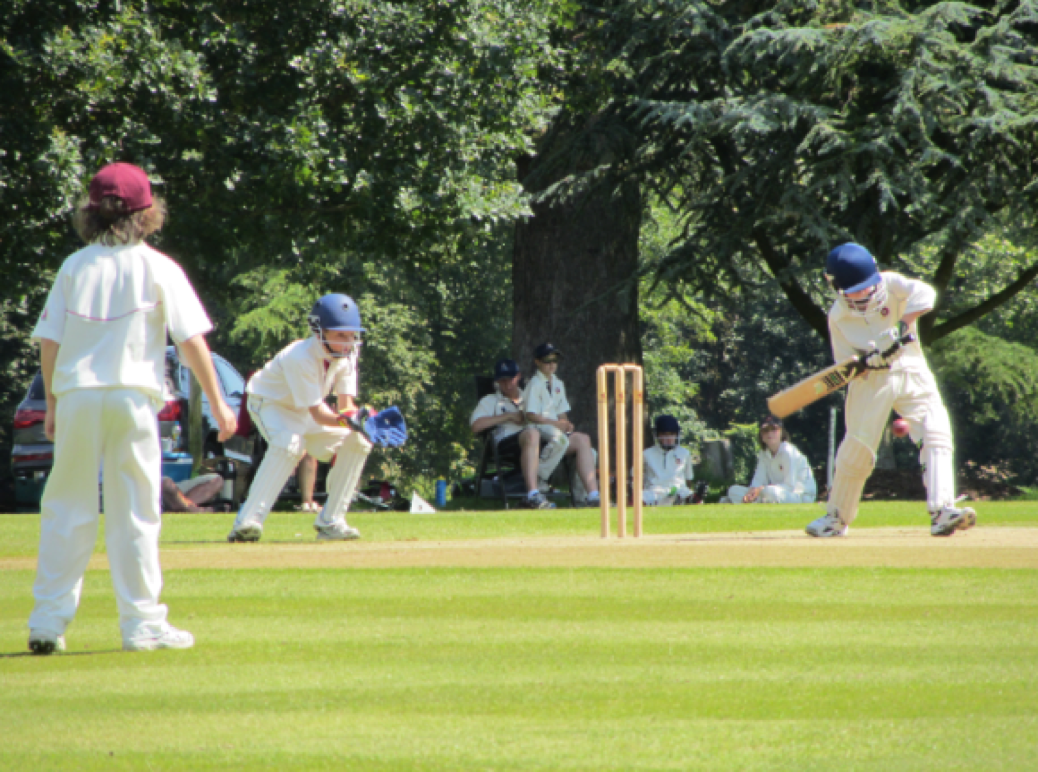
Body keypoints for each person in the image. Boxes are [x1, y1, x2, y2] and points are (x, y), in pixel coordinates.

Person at [27, 162, 237, 655]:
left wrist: (54, 405)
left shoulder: (74, 267)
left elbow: (50, 344)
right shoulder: (159, 267)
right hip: (132, 397)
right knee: (135, 514)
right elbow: (191, 342)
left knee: (66, 509)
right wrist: (220, 404)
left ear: (93, 213)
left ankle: (46, 623)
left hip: (78, 396)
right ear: (148, 214)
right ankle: (141, 625)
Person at [806, 243, 976, 537]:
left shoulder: (892, 284)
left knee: (936, 431)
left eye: (866, 287)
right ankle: (836, 518)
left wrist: (903, 325)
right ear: (836, 286)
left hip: (911, 368)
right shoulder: (838, 316)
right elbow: (843, 365)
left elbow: (927, 294)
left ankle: (943, 510)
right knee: (857, 449)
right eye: (854, 290)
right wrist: (868, 361)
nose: (863, 294)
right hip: (870, 383)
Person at [226, 293, 406, 542]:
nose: (347, 342)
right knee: (289, 445)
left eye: (351, 335)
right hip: (271, 403)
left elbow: (345, 405)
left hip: (309, 409)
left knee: (361, 440)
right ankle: (246, 523)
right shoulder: (299, 356)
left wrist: (361, 421)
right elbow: (319, 414)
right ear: (319, 331)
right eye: (340, 334)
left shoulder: (348, 354)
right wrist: (349, 419)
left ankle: (331, 521)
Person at [522, 343, 601, 508]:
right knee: (560, 440)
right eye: (547, 360)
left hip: (554, 428)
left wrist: (565, 424)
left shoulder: (558, 383)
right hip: (538, 426)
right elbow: (530, 414)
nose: (551, 364)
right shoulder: (534, 384)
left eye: (555, 360)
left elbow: (561, 411)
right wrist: (556, 424)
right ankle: (538, 478)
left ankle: (592, 496)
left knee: (586, 443)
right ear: (537, 362)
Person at [470, 359, 555, 509]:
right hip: (507, 443)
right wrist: (507, 416)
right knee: (532, 434)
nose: (507, 385)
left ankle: (591, 496)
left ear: (519, 376)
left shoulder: (531, 395)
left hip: (541, 438)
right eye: (502, 381)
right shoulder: (490, 400)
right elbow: (476, 426)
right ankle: (533, 494)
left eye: (511, 379)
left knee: (580, 440)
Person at [725, 416, 817, 504]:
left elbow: (789, 486)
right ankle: (754, 502)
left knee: (768, 491)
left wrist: (760, 490)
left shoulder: (788, 452)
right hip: (774, 493)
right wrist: (751, 491)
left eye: (774, 429)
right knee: (733, 490)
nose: (770, 433)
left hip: (800, 495)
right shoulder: (764, 453)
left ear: (781, 432)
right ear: (761, 435)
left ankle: (748, 503)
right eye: (766, 430)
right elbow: (758, 480)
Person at [641, 415, 705, 506]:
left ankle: (682, 500)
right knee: (639, 499)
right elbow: (636, 478)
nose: (668, 439)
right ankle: (661, 502)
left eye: (672, 434)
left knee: (697, 501)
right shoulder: (647, 454)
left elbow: (688, 479)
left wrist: (690, 494)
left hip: (678, 489)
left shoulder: (684, 453)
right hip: (655, 490)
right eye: (664, 434)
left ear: (677, 435)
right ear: (657, 435)